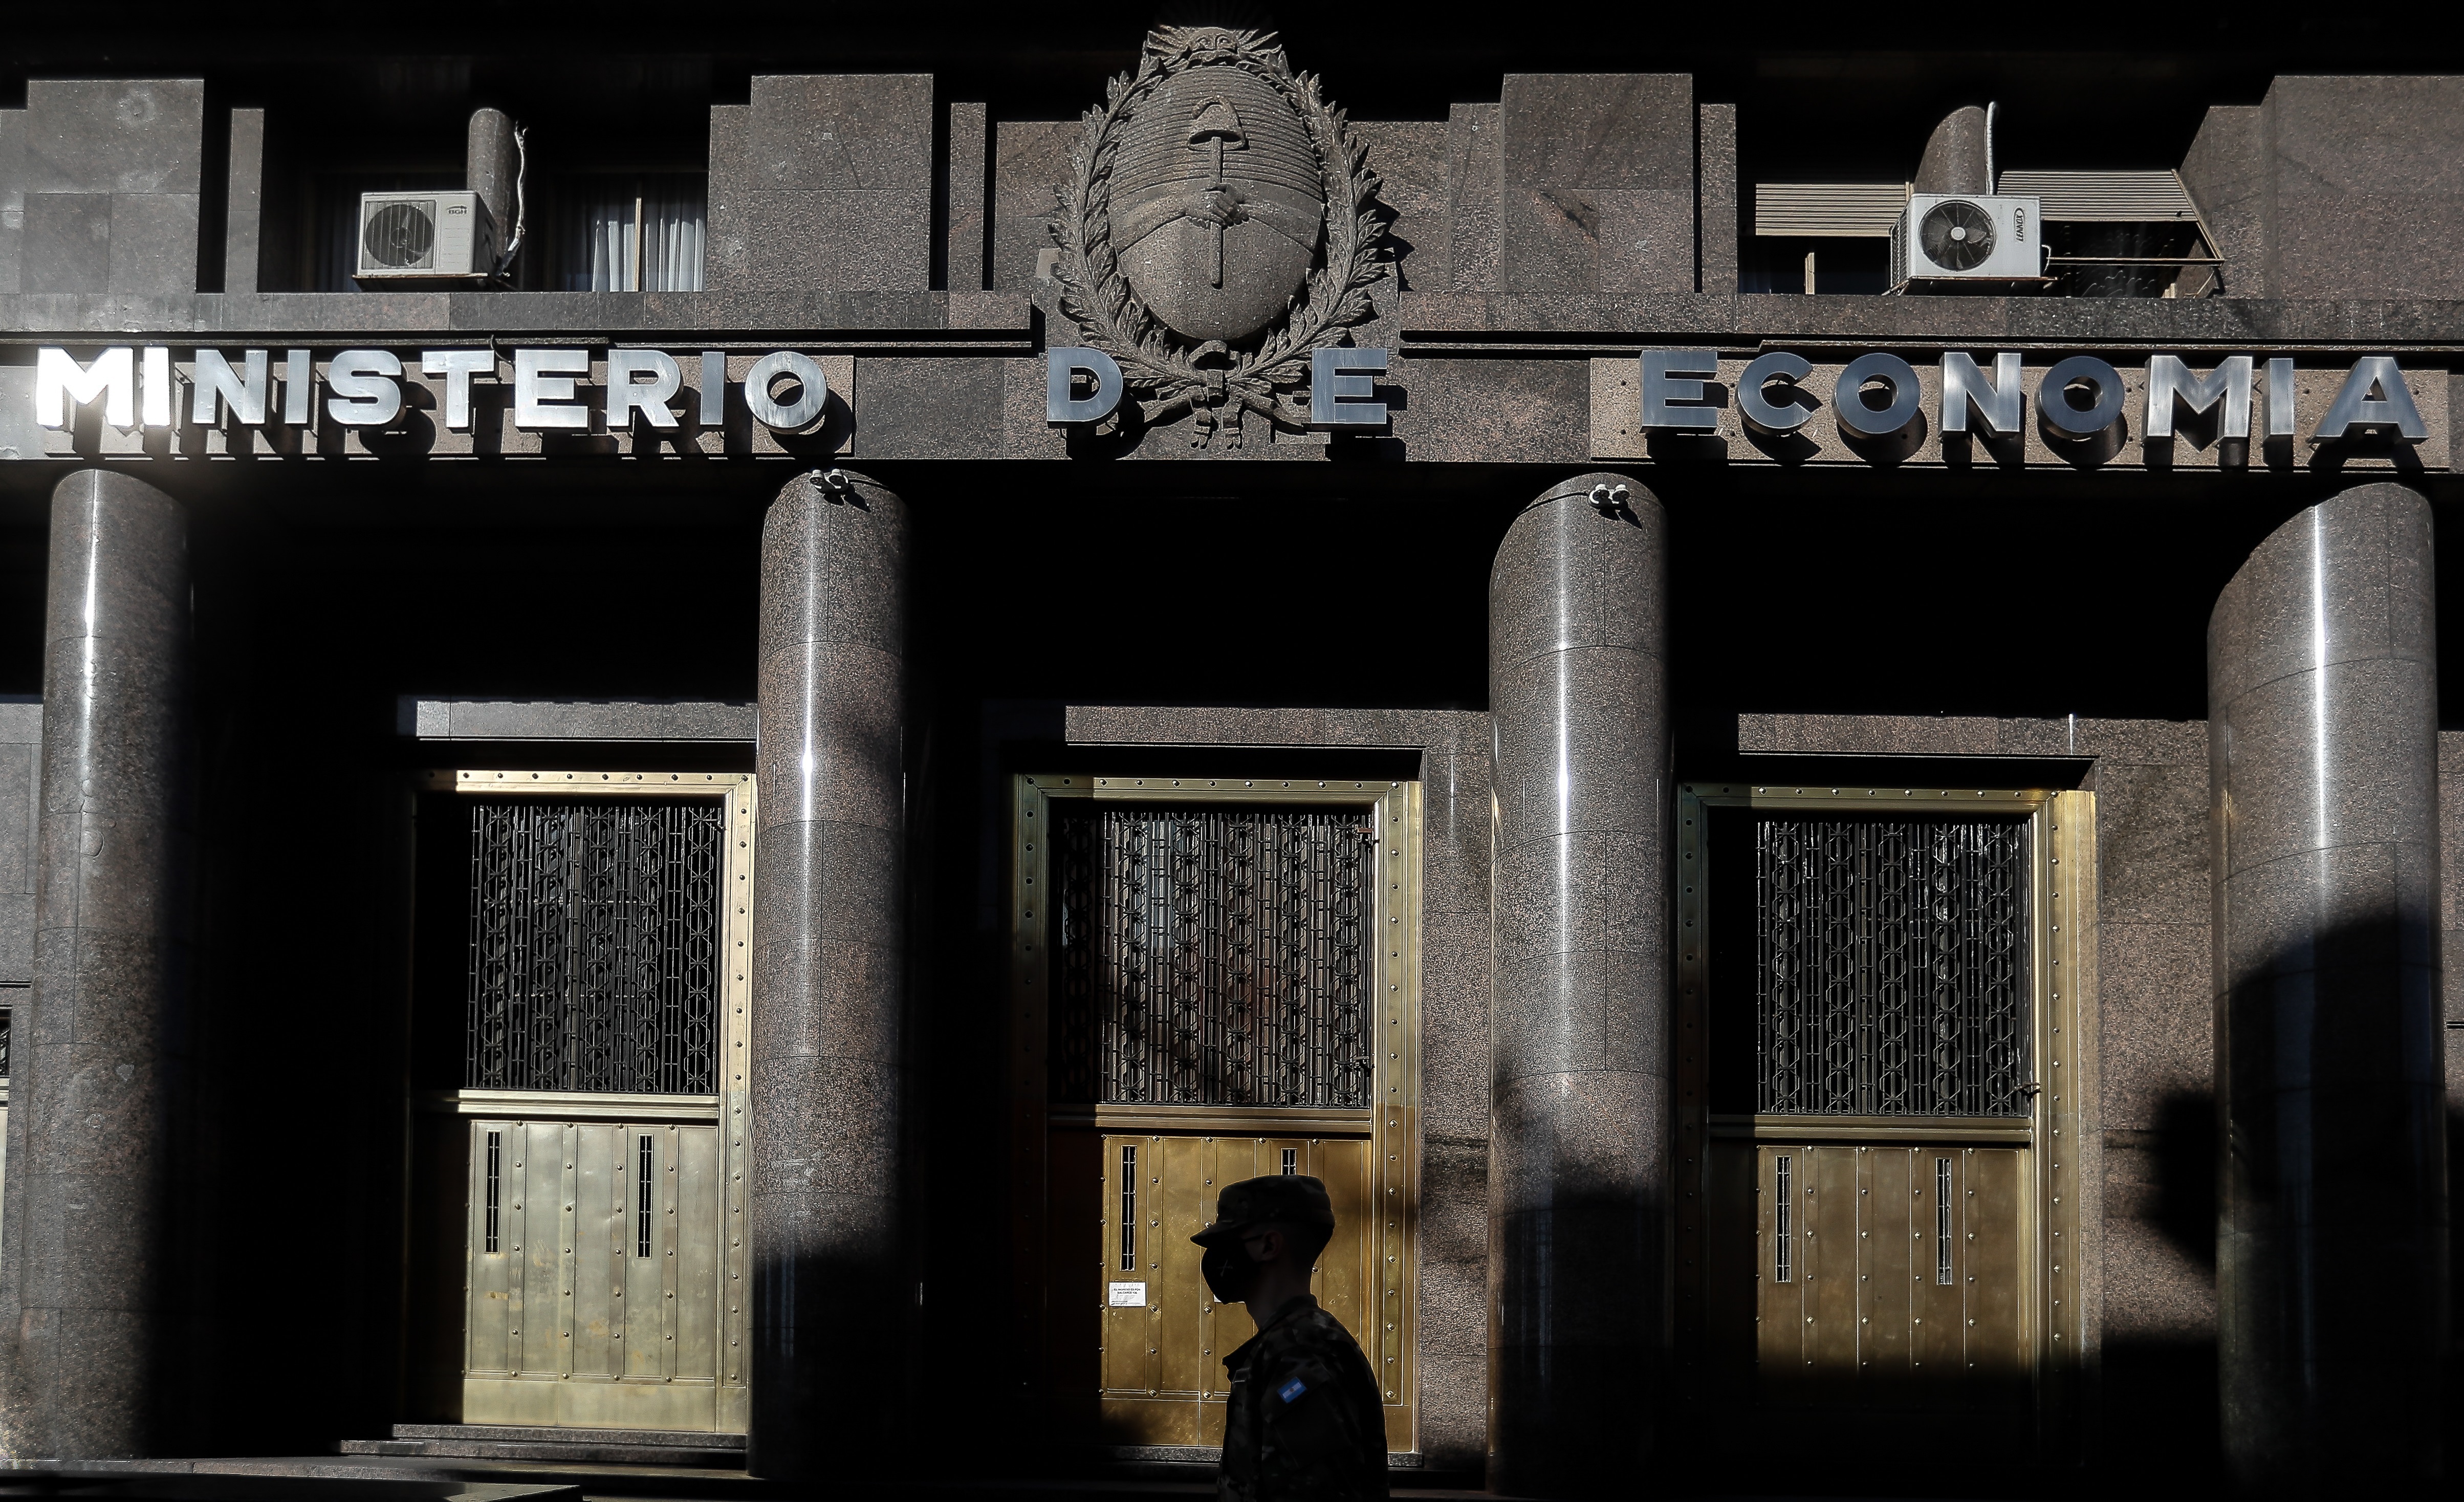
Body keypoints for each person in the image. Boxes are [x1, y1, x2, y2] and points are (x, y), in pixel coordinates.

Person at [1191, 1174, 1389, 1502]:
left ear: (1269, 1245)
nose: (1216, 1256)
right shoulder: (1294, 1341)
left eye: (1227, 1241)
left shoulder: (1298, 1353)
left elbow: (1315, 1492)